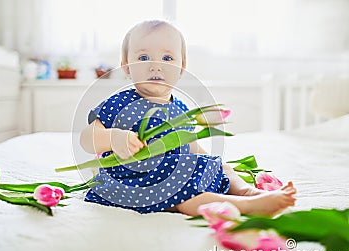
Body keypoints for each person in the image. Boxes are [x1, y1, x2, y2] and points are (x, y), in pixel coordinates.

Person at [81, 20, 296, 216]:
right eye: (143, 57)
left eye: (167, 58)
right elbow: (87, 137)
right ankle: (246, 207)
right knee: (187, 195)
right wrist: (114, 137)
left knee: (222, 167)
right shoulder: (120, 103)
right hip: (136, 179)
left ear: (181, 68)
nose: (156, 65)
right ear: (126, 67)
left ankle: (247, 192)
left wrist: (211, 163)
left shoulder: (181, 108)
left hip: (176, 171)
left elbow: (190, 146)